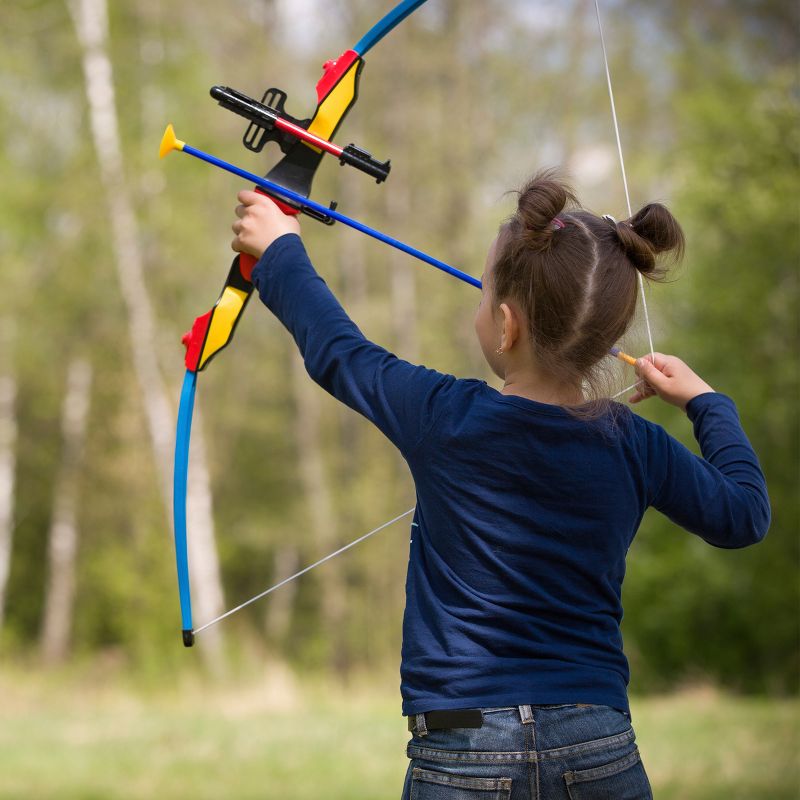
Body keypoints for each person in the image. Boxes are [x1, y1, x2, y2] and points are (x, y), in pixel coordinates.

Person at [230, 171, 770, 800]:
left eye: (484, 293)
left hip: (460, 742)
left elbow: (340, 352)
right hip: (598, 740)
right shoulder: (634, 443)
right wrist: (706, 402)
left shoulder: (444, 414)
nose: (479, 303)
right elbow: (744, 514)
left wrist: (279, 249)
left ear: (507, 326)